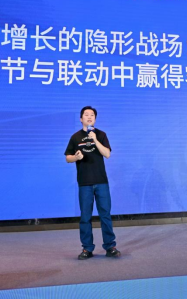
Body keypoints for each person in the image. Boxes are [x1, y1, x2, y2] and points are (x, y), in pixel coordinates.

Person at [65, 106, 121, 260]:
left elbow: (107, 154)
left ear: (95, 119)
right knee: (85, 217)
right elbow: (68, 157)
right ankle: (87, 248)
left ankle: (110, 246)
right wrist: (76, 157)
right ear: (81, 119)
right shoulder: (75, 137)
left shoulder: (101, 135)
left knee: (105, 215)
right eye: (86, 115)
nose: (89, 117)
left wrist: (95, 140)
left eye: (92, 115)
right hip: (84, 183)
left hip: (101, 181)